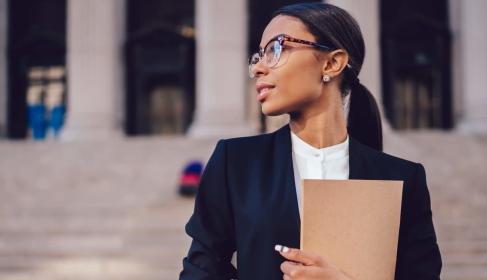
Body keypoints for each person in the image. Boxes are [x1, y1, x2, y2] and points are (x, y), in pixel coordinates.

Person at [180, 2, 442, 279]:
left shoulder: (402, 177)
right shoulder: (235, 162)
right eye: (258, 56)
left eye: (275, 49)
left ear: (331, 62)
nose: (258, 68)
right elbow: (201, 272)